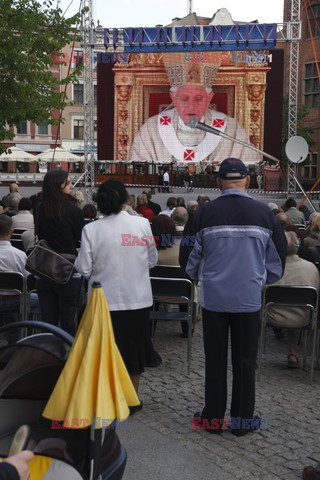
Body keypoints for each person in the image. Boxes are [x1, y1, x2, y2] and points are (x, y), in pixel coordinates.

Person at [182, 157, 287, 436]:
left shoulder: (202, 215)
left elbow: (188, 259)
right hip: (249, 299)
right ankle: (242, 421)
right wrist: (256, 281)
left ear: (218, 183)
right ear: (248, 181)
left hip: (214, 300)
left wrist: (202, 279)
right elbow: (277, 263)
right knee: (245, 361)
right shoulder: (266, 215)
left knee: (215, 359)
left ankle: (213, 419)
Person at [75, 180, 161, 407]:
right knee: (134, 351)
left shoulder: (91, 229)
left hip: (103, 301)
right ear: (125, 200)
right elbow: (152, 260)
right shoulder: (142, 225)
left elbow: (83, 269)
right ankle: (131, 399)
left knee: (102, 350)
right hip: (137, 298)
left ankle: (105, 398)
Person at [130, 53, 260, 165]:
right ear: (174, 98)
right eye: (184, 99)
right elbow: (138, 170)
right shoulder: (151, 130)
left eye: (198, 99)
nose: (191, 106)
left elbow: (248, 168)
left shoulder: (232, 131)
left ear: (209, 98)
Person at [35, 170, 84, 335]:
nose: (71, 186)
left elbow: (40, 235)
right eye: (68, 183)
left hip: (44, 268)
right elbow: (80, 238)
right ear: (59, 186)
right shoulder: (73, 210)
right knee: (68, 322)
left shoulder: (40, 208)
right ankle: (68, 356)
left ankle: (49, 354)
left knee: (48, 321)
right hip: (67, 270)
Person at [266, 231, 319, 368]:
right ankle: (293, 352)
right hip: (303, 318)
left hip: (271, 317)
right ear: (297, 246)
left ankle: (252, 354)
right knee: (298, 307)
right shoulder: (311, 268)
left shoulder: (270, 268)